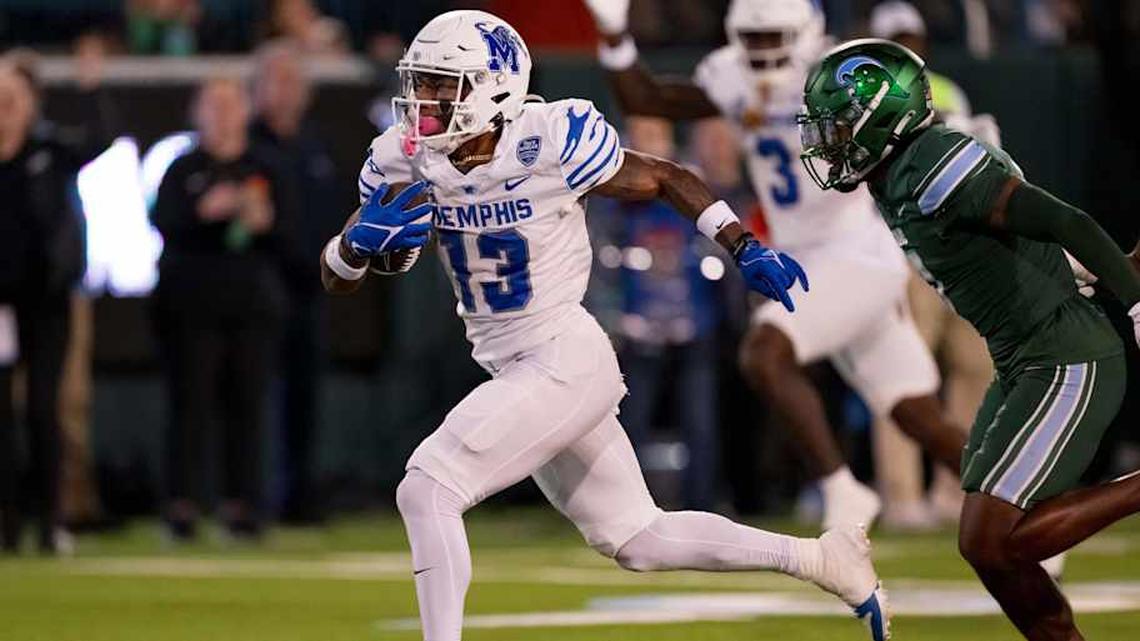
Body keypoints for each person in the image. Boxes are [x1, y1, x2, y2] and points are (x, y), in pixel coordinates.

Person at [321, 10, 889, 641]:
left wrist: (742, 245)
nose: (423, 101)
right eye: (421, 83)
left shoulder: (546, 138)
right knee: (637, 537)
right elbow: (342, 274)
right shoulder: (403, 159)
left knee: (428, 488)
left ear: (494, 89)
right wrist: (353, 248)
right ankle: (823, 558)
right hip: (515, 364)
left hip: (562, 352)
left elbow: (667, 177)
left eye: (441, 85)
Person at [798, 38, 1140, 641]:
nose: (828, 143)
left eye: (841, 126)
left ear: (885, 116)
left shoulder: (932, 162)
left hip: (1064, 353)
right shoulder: (898, 170)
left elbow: (1065, 221)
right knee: (984, 548)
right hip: (1022, 358)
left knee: (997, 538)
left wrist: (1135, 302)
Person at [583, 0, 964, 530]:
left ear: (807, 33)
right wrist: (614, 34)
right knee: (918, 417)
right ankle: (1022, 509)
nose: (763, 52)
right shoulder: (730, 76)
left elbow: (911, 117)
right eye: (753, 40)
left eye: (774, 39)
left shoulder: (841, 71)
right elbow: (646, 97)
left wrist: (958, 134)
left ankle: (841, 490)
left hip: (854, 252)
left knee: (765, 353)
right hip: (808, 257)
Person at [151, 76, 297, 542]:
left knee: (248, 406)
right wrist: (203, 212)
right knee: (189, 405)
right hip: (190, 304)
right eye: (212, 106)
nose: (222, 115)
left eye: (231, 105)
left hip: (251, 305)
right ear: (197, 114)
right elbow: (163, 222)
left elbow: (294, 237)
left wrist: (265, 222)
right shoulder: (183, 167)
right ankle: (183, 504)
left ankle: (244, 504)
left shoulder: (266, 166)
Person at [0, 49, 114, 555]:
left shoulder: (48, 151)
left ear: (30, 105)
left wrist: (92, 90)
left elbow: (101, 138)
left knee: (45, 412)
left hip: (46, 303)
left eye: (12, 100)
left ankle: (50, 521)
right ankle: (8, 525)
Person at [248, 40, 340, 525]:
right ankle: (253, 497)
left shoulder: (317, 145)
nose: (286, 92)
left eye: (293, 81)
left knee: (305, 398)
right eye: (276, 81)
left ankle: (300, 496)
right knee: (257, 399)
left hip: (311, 289)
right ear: (257, 89)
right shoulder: (245, 146)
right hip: (259, 291)